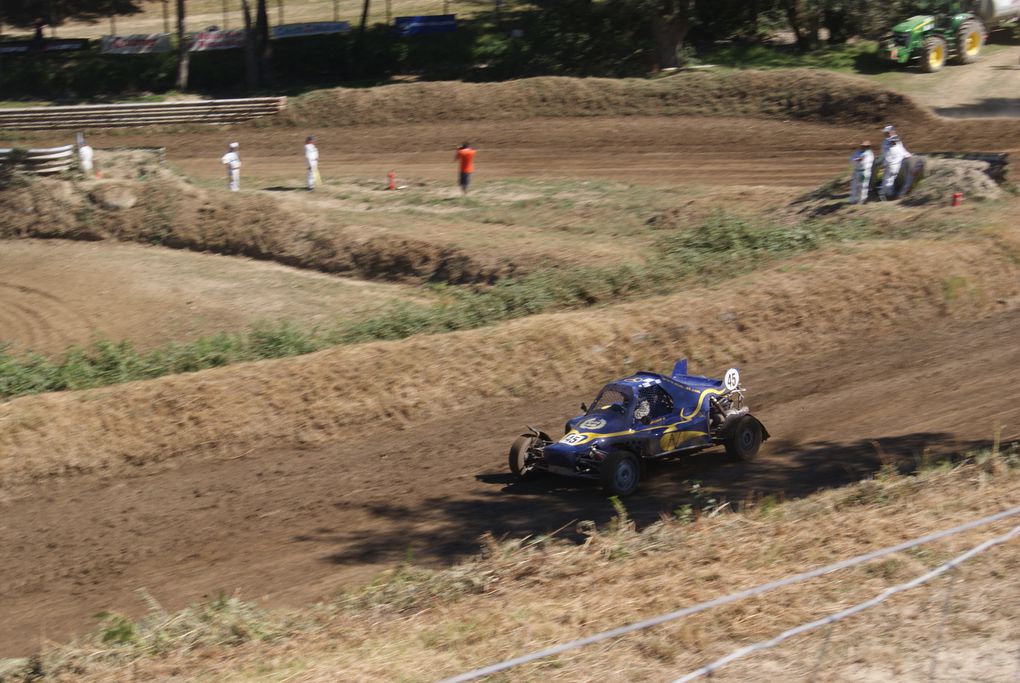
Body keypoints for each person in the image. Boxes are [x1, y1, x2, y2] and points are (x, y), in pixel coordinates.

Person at [881, 135, 909, 200]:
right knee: (892, 180)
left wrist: (884, 165)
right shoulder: (900, 148)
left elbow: (887, 159)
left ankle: (888, 194)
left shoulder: (890, 149)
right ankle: (891, 193)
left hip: (891, 167)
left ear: (893, 142)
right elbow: (906, 155)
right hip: (898, 167)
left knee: (887, 180)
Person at [849, 140, 873, 205]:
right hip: (856, 171)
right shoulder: (857, 152)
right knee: (854, 186)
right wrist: (856, 160)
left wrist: (858, 160)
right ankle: (853, 200)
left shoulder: (869, 154)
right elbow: (851, 159)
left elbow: (865, 162)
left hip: (864, 172)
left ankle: (862, 200)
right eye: (863, 146)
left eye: (865, 146)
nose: (863, 147)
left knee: (863, 186)